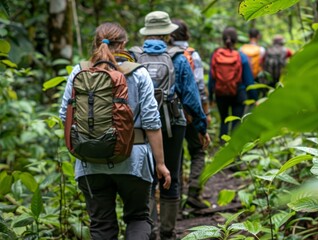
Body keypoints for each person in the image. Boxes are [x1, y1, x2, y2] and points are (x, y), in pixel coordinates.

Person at [59, 22, 171, 240]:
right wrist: (160, 164)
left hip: (89, 161)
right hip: (134, 160)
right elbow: (151, 121)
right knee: (138, 218)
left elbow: (66, 115)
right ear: (124, 45)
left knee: (101, 225)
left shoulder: (79, 71)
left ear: (96, 43)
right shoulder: (139, 73)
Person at [134, 11, 211, 240]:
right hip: (173, 124)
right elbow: (191, 97)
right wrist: (201, 127)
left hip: (142, 126)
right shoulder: (178, 57)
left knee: (147, 177)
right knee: (172, 175)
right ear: (168, 33)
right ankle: (168, 232)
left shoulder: (134, 57)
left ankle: (150, 230)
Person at [170, 18, 210, 209]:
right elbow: (199, 88)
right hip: (191, 113)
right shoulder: (192, 55)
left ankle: (173, 201)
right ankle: (194, 193)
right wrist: (204, 114)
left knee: (175, 156)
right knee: (198, 152)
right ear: (186, 34)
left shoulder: (162, 54)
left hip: (168, 114)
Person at [208, 26, 257, 145]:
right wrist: (254, 98)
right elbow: (249, 80)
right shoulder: (242, 57)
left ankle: (222, 145)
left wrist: (211, 96)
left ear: (223, 39)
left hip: (220, 94)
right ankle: (234, 152)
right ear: (236, 40)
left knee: (224, 120)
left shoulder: (216, 55)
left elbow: (211, 78)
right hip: (238, 94)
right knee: (236, 123)